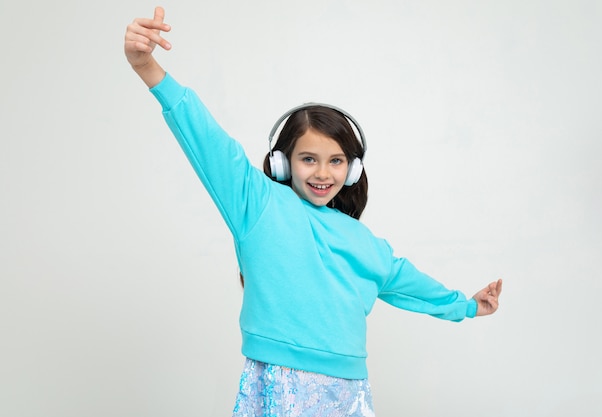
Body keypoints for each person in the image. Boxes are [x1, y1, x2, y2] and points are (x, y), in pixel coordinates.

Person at [124, 7, 503, 417]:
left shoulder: (365, 244)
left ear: (353, 169)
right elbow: (207, 140)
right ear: (284, 163)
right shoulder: (259, 204)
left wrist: (466, 306)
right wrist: (147, 67)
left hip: (350, 394)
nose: (323, 173)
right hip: (278, 385)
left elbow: (411, 284)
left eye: (337, 161)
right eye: (308, 159)